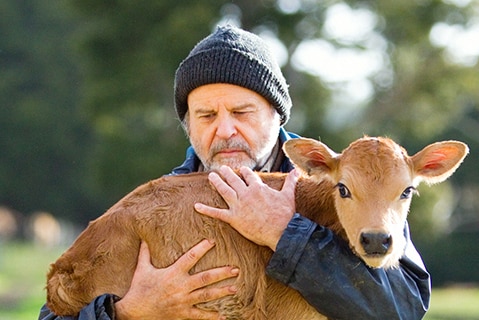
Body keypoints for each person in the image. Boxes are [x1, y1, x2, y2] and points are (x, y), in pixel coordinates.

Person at [39, 25, 431, 320]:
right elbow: (54, 310)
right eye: (206, 116)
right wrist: (126, 312)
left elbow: (404, 309)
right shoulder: (165, 209)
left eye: (242, 113)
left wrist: (284, 233)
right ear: (188, 126)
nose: (224, 130)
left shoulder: (357, 192)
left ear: (276, 116)